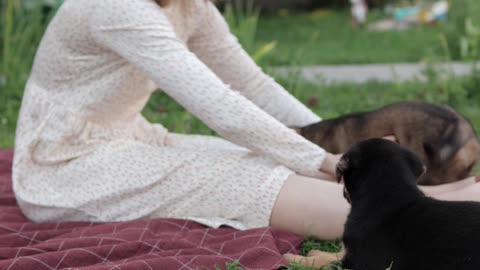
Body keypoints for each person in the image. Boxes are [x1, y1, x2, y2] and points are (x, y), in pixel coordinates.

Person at [12, 0, 480, 245]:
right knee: (246, 179)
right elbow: (216, 104)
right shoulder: (119, 8)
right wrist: (324, 161)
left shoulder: (187, 6)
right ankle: (442, 210)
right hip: (65, 170)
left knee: (252, 159)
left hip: (129, 141)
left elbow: (251, 86)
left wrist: (344, 154)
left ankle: (448, 199)